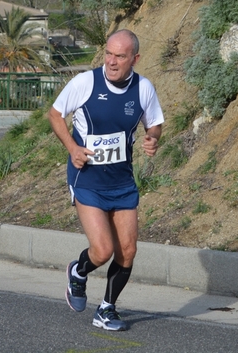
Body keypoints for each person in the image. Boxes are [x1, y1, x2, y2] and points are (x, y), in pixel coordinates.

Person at [48, 29, 164, 332]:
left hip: (122, 181)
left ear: (134, 59)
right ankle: (78, 271)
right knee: (103, 250)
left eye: (120, 56)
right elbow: (55, 114)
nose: (111, 61)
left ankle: (107, 308)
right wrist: (73, 148)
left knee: (128, 250)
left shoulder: (143, 88)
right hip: (87, 178)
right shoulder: (86, 82)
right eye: (108, 54)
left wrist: (152, 139)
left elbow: (155, 124)